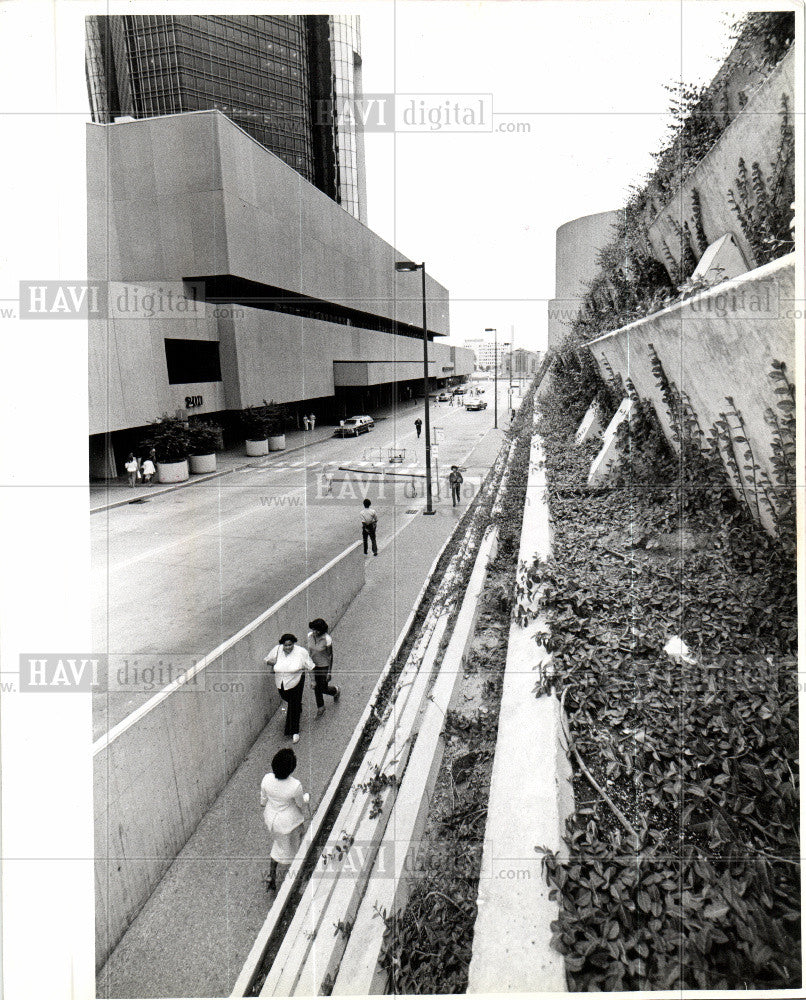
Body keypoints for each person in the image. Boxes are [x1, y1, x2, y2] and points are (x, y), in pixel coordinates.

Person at [260, 747, 310, 892]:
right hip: (289, 822)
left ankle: (272, 874)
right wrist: (306, 798)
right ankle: (296, 874)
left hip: (272, 820)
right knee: (294, 846)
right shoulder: (295, 785)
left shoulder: (266, 779)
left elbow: (263, 801)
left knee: (278, 844)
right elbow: (300, 804)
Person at [265, 634, 315, 743]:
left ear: (294, 643)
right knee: (287, 698)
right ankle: (297, 706)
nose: (288, 647)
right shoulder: (277, 650)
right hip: (281, 683)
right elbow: (267, 659)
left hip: (296, 681)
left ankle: (294, 731)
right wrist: (272, 662)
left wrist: (313, 681)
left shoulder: (301, 652)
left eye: (290, 645)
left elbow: (310, 666)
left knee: (293, 705)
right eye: (285, 645)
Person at [307, 618, 340, 718]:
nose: (315, 632)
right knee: (317, 686)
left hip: (323, 666)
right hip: (313, 665)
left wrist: (329, 672)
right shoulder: (309, 636)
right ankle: (321, 707)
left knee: (322, 688)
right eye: (313, 629)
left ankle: (335, 690)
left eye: (317, 630)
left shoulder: (327, 639)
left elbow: (330, 656)